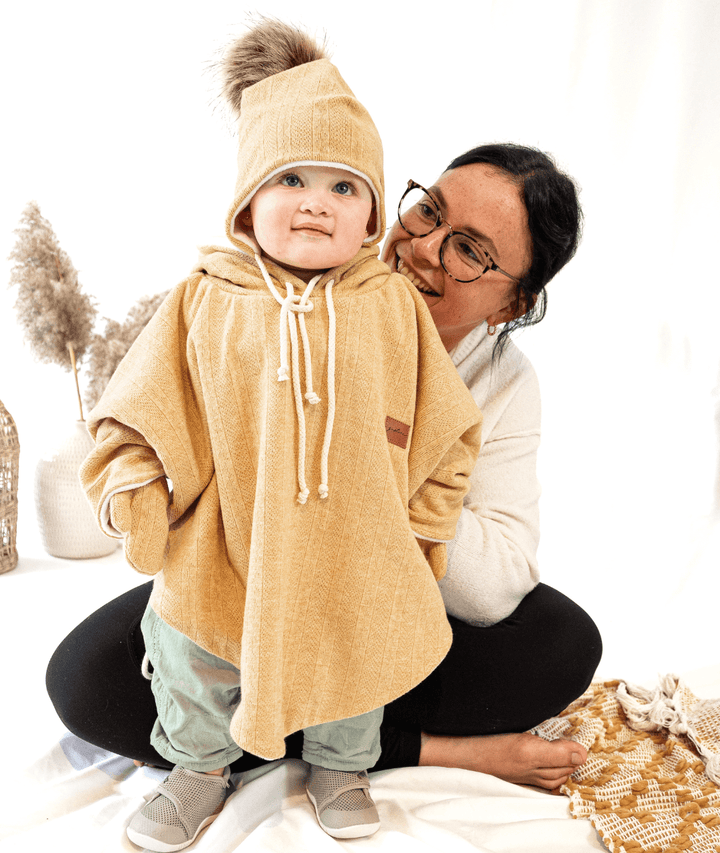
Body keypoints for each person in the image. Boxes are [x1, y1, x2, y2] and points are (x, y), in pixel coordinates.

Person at [47, 121, 601, 845]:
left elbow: (497, 581)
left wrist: (374, 488)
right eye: (428, 210)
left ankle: (347, 745)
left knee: (562, 639)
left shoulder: (505, 384)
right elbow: (175, 410)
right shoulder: (287, 289)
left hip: (374, 596)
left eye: (471, 250)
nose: (427, 248)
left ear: (512, 305)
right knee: (87, 676)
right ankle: (367, 746)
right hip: (251, 568)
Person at [76, 20, 482, 851]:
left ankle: (342, 763)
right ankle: (196, 765)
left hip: (352, 541)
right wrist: (139, 492)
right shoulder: (204, 297)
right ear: (247, 198)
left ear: (373, 215)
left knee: (355, 652)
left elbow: (446, 431)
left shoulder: (390, 307)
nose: (315, 203)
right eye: (292, 177)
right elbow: (143, 411)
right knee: (193, 649)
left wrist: (421, 528)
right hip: (229, 538)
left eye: (344, 187)